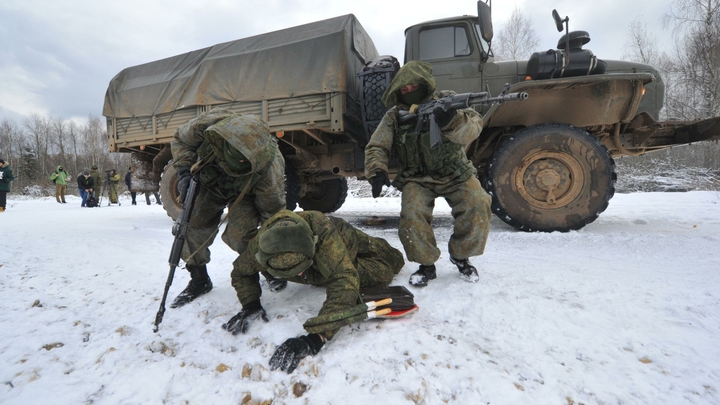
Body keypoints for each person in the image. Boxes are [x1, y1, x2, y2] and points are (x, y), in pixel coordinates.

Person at [223, 210, 405, 373]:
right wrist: (250, 303)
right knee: (357, 274)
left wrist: (317, 336)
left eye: (301, 268)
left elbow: (344, 280)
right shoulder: (261, 246)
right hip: (320, 263)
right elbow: (240, 272)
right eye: (295, 272)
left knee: (391, 264)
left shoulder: (324, 234)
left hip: (346, 241)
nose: (300, 274)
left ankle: (385, 252)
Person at [364, 60, 492, 287]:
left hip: (455, 172)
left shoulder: (448, 101)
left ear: (424, 84)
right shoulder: (394, 116)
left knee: (478, 202)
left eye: (414, 86)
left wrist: (451, 120)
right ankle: (426, 265)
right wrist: (377, 171)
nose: (409, 92)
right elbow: (377, 145)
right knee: (412, 214)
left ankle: (461, 256)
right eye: (404, 89)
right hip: (417, 177)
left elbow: (474, 127)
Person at [169, 109, 287, 308]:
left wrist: (275, 255)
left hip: (245, 191)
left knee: (239, 235)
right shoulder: (207, 125)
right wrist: (183, 173)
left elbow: (272, 213)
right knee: (190, 225)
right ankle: (199, 280)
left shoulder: (269, 168)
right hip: (209, 179)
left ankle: (266, 268)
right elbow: (180, 140)